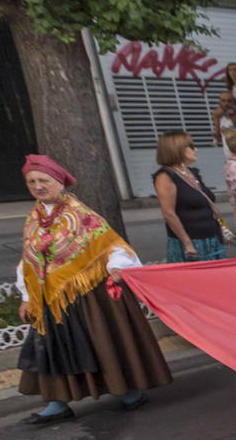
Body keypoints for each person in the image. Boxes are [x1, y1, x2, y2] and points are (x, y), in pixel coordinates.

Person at [14, 155, 172, 424]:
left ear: (59, 183)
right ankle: (57, 402)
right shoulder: (33, 220)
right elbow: (28, 260)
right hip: (50, 298)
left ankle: (129, 392)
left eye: (44, 180)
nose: (38, 186)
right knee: (54, 347)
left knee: (102, 342)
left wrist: (116, 266)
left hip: (88, 297)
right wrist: (27, 296)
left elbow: (113, 245)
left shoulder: (82, 215)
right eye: (32, 181)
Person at [153, 130, 228, 263]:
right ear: (177, 149)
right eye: (191, 146)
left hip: (210, 237)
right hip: (192, 241)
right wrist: (187, 243)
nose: (196, 150)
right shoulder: (165, 176)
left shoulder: (191, 172)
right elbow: (169, 213)